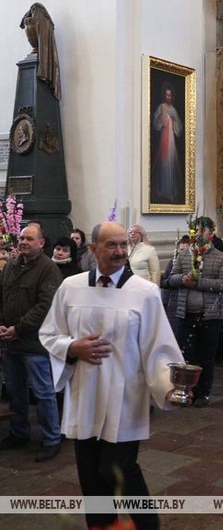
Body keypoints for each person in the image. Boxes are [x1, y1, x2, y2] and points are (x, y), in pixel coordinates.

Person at [40, 221, 186, 529]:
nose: (120, 251)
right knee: (91, 477)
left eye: (123, 244)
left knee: (117, 468)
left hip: (125, 397)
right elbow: (50, 333)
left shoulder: (144, 292)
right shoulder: (71, 287)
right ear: (93, 249)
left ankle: (147, 525)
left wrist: (172, 387)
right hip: (85, 393)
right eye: (111, 245)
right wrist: (72, 346)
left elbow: (157, 346)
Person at [0, 224, 63, 462]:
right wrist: (3, 325)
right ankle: (19, 432)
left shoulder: (48, 269)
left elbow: (45, 305)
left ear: (41, 243)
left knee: (43, 392)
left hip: (35, 343)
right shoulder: (11, 266)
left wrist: (19, 328)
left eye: (29, 238)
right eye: (22, 237)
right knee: (15, 391)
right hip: (10, 341)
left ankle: (51, 438)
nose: (24, 241)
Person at [168, 216, 223, 408]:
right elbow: (170, 278)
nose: (199, 234)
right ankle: (188, 390)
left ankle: (204, 392)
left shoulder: (220, 257)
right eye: (196, 230)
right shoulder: (185, 255)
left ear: (211, 234)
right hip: (186, 313)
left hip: (210, 315)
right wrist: (182, 279)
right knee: (187, 354)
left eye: (203, 230)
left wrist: (199, 283)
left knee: (206, 356)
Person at [151, 83, 184, 204]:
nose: (168, 97)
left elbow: (179, 128)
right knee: (164, 164)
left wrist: (175, 121)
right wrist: (161, 119)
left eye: (170, 95)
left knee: (170, 163)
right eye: (166, 95)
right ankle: (163, 191)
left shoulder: (173, 109)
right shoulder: (161, 107)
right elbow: (156, 122)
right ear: (164, 95)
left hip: (171, 142)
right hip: (163, 139)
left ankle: (170, 191)